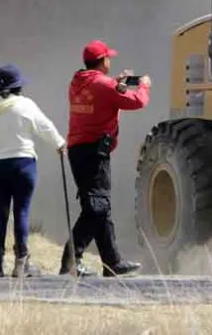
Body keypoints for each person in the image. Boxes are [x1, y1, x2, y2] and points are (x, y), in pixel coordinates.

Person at [0, 63, 66, 278]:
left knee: (0, 212)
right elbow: (45, 127)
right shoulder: (26, 106)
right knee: (21, 212)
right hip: (23, 165)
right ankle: (21, 261)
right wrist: (59, 144)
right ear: (18, 86)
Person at [61, 39, 148, 278]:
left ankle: (112, 262)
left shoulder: (77, 82)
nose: (110, 60)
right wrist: (143, 86)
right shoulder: (103, 84)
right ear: (102, 61)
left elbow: (99, 93)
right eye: (108, 57)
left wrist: (115, 84)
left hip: (78, 150)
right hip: (94, 152)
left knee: (100, 208)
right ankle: (71, 259)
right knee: (97, 206)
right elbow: (136, 101)